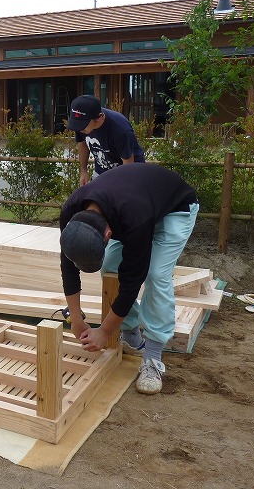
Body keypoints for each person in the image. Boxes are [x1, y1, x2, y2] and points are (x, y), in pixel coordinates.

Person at [58, 164, 199, 395]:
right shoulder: (71, 211)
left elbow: (132, 282)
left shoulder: (135, 218)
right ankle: (131, 334)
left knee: (156, 274)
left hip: (175, 209)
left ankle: (153, 356)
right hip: (135, 205)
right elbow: (68, 265)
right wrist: (75, 318)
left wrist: (104, 332)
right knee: (110, 267)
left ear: (108, 234)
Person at [67, 95, 145, 186]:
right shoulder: (81, 124)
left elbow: (128, 164)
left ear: (99, 117)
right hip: (102, 170)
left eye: (82, 125)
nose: (79, 129)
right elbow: (82, 142)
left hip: (130, 171)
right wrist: (83, 171)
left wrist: (124, 187)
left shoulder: (120, 130)